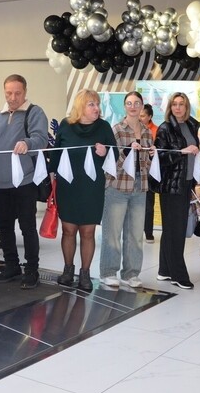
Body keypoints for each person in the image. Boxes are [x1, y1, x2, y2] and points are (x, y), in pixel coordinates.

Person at [0, 74, 49, 289]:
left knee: (27, 227)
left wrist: (27, 143)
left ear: (25, 92)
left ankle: (31, 270)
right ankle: (11, 266)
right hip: (0, 184)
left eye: (17, 93)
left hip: (25, 182)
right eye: (9, 93)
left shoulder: (35, 112)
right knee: (4, 227)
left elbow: (41, 138)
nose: (13, 97)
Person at [49, 89, 116, 291]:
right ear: (81, 106)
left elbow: (115, 154)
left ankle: (85, 274)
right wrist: (51, 174)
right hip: (68, 186)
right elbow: (56, 153)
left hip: (91, 187)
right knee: (68, 230)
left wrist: (105, 152)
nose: (97, 108)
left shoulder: (104, 127)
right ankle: (68, 270)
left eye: (97, 104)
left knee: (88, 232)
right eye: (91, 104)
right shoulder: (66, 125)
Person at [100, 91, 154, 288]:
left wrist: (152, 156)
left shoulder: (147, 132)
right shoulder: (116, 129)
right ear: (124, 106)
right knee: (112, 233)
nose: (133, 107)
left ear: (142, 106)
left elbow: (146, 164)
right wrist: (127, 150)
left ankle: (131, 273)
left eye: (137, 103)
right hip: (118, 186)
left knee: (135, 235)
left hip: (140, 187)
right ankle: (108, 272)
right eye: (129, 103)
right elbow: (110, 160)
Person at [150, 92, 200, 290]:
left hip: (186, 183)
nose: (178, 108)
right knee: (176, 231)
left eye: (182, 104)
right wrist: (181, 152)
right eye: (175, 104)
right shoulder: (165, 128)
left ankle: (165, 270)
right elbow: (160, 157)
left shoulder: (191, 125)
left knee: (172, 229)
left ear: (187, 107)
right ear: (170, 107)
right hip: (171, 185)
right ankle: (178, 275)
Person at [140, 103, 159, 243]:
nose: (140, 118)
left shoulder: (156, 131)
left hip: (149, 172)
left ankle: (148, 232)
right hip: (134, 171)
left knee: (148, 204)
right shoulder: (132, 128)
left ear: (150, 117)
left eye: (143, 116)